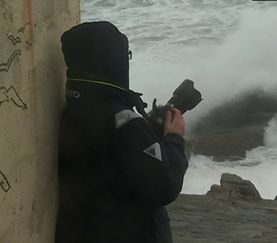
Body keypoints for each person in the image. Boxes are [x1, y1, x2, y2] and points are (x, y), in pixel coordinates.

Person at [55, 21, 188, 243]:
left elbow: (112, 162)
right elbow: (165, 185)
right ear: (111, 60)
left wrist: (148, 128)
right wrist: (174, 138)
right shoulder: (123, 123)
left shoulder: (75, 110)